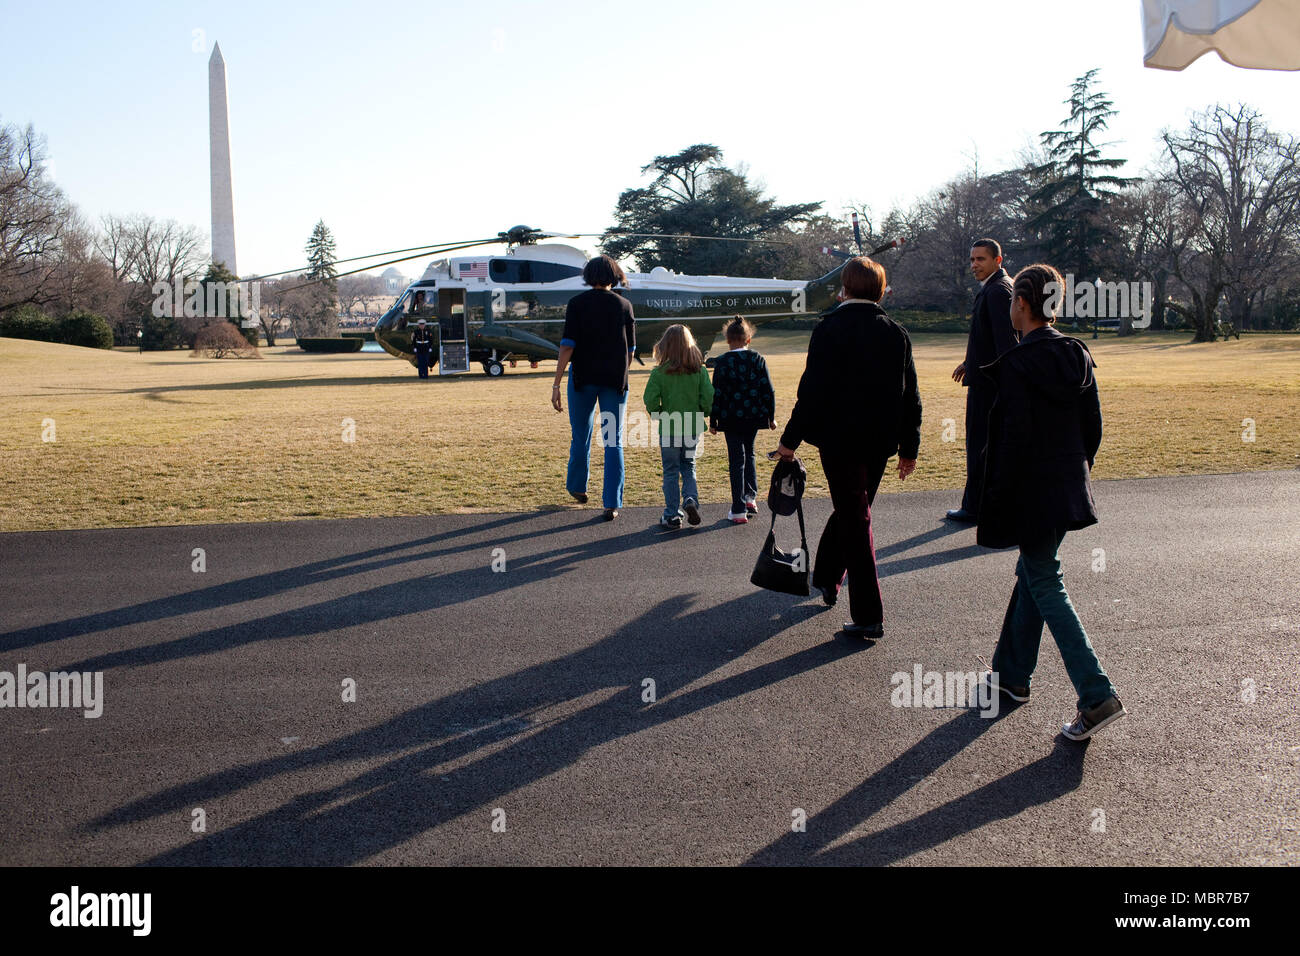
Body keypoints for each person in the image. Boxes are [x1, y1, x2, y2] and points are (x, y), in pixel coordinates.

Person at [977, 262, 1126, 741]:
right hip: (1066, 485)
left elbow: (1010, 442)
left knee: (1044, 580)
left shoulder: (1019, 365)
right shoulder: (1077, 355)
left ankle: (1095, 692)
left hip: (1031, 490)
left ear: (1021, 303)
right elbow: (1093, 430)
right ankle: (1011, 677)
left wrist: (997, 499)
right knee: (1034, 572)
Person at [776, 256, 921, 638]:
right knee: (854, 512)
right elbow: (911, 397)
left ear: (845, 288)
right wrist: (909, 446)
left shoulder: (828, 330)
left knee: (855, 517)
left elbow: (812, 393)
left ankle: (868, 614)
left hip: (839, 441)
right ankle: (826, 576)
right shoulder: (895, 332)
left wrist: (789, 441)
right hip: (878, 441)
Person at [551, 255, 636, 521]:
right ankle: (612, 502)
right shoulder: (625, 305)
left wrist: (556, 383)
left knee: (581, 436)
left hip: (582, 379)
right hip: (614, 380)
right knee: (613, 441)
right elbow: (630, 350)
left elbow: (567, 346)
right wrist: (621, 372)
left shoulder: (576, 304)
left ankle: (577, 486)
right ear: (615, 276)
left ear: (588, 276)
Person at [947, 238, 1017, 523]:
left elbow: (1006, 344)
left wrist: (1002, 385)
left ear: (997, 261)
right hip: (986, 379)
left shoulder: (998, 291)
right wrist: (970, 361)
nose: (974, 264)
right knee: (984, 446)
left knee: (979, 445)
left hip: (990, 387)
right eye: (972, 259)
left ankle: (975, 507)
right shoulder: (996, 288)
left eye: (981, 259)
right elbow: (988, 337)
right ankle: (981, 504)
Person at [644, 324, 714, 530]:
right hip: (692, 425)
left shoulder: (659, 373)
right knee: (689, 466)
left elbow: (650, 399)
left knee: (671, 472)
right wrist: (704, 411)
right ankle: (690, 498)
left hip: (669, 428)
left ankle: (672, 514)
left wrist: (658, 414)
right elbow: (708, 396)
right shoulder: (699, 371)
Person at [708, 316, 776, 524]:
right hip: (753, 417)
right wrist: (770, 417)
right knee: (750, 454)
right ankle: (750, 498)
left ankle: (738, 509)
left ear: (728, 340)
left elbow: (716, 394)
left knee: (736, 460)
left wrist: (713, 421)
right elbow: (768, 390)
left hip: (730, 419)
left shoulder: (722, 362)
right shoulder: (757, 358)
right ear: (748, 339)